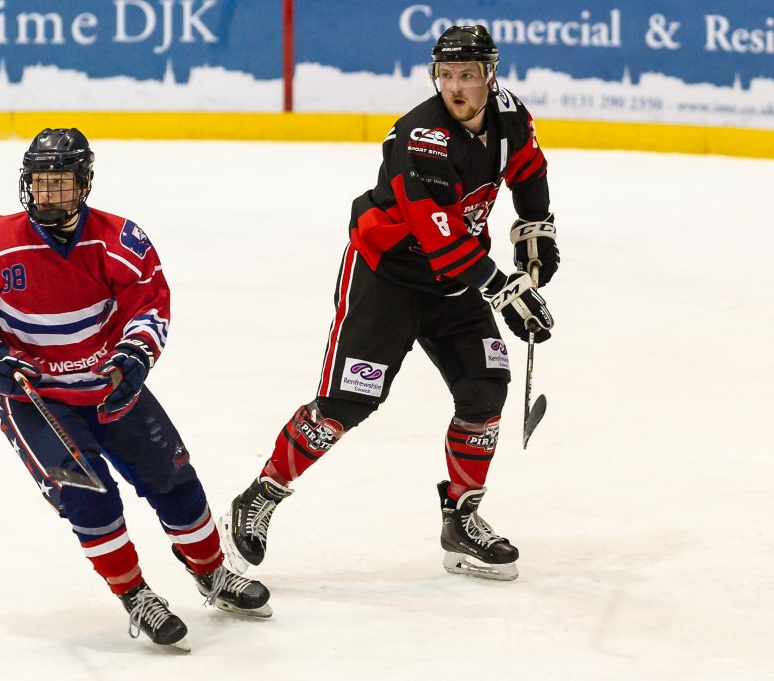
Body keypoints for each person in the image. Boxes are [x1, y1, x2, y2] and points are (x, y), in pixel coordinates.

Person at [221, 26, 558, 582]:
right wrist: (504, 289)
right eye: (446, 75)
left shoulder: (510, 116)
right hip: (388, 280)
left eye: (467, 75)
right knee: (346, 404)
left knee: (485, 389)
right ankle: (261, 494)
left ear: (490, 76)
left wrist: (536, 227)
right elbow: (441, 239)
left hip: (456, 283)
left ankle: (462, 518)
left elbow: (528, 169)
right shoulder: (422, 136)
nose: (455, 87)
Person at [0, 128, 271, 652]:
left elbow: (150, 306)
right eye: (39, 182)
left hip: (109, 389)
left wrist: (135, 356)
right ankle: (135, 595)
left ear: (85, 183)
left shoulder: (120, 241)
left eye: (61, 183)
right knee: (89, 498)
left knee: (174, 480)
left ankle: (211, 572)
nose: (48, 194)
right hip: (36, 402)